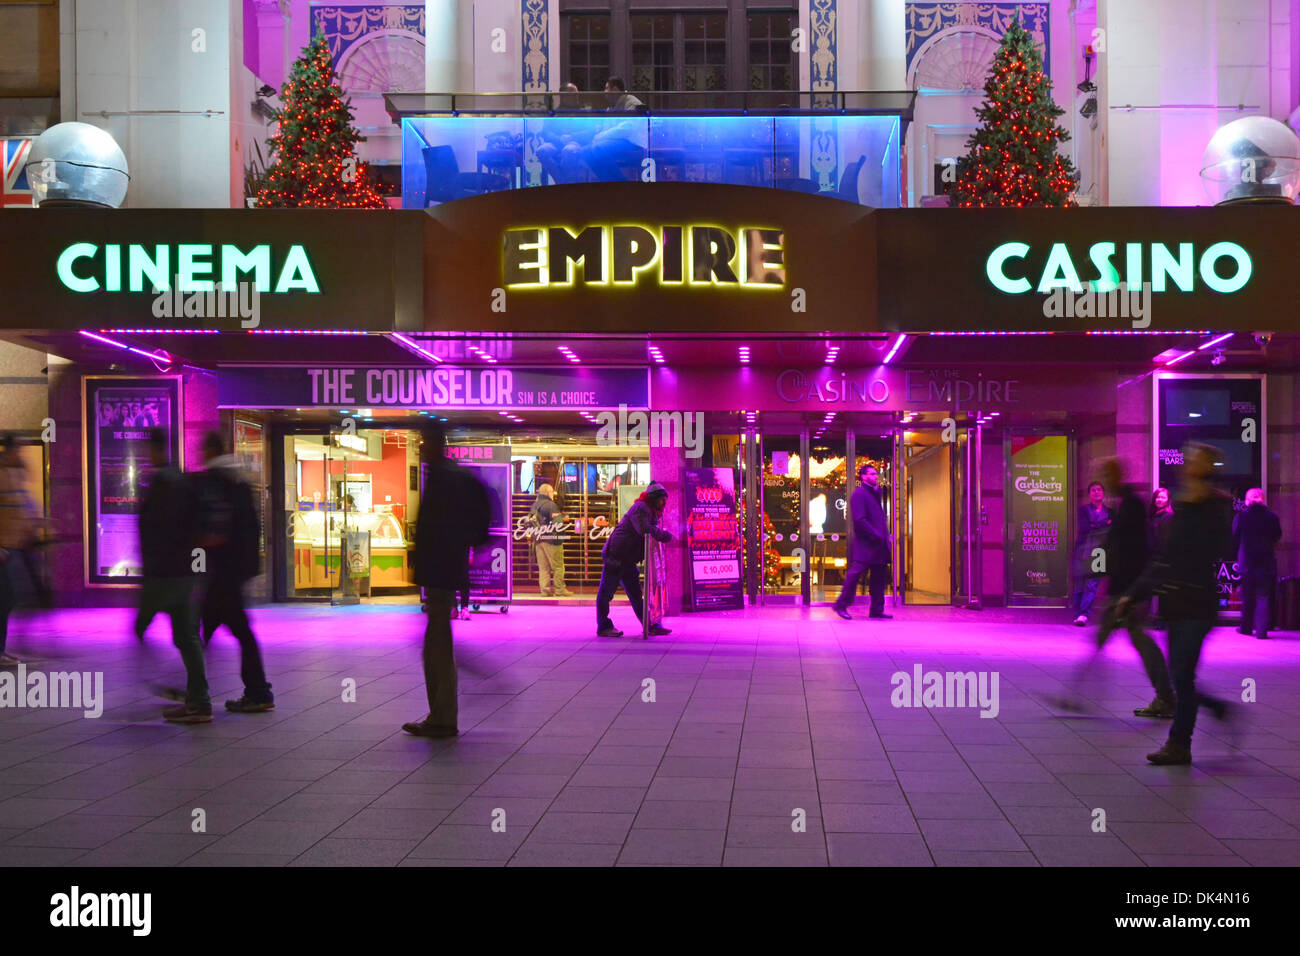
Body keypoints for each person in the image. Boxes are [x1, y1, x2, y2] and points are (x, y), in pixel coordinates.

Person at [1125, 443, 1235, 766]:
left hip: (1197, 605)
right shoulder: (1183, 507)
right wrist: (1136, 593)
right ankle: (1215, 709)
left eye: (1194, 461)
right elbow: (1164, 560)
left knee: (1182, 675)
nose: (1187, 465)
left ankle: (1179, 743)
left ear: (1206, 468)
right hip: (1176, 604)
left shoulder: (1213, 508)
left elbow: (1215, 549)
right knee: (1181, 677)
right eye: (1187, 461)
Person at [1054, 459, 1175, 718]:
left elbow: (1133, 550)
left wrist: (1130, 592)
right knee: (1114, 641)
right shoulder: (1124, 505)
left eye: (1106, 475)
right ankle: (1076, 696)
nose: (1103, 480)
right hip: (1124, 589)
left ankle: (1166, 697)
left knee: (1133, 642)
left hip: (1127, 590)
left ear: (1115, 476)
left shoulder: (1131, 506)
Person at [405, 423, 490, 738]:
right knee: (437, 643)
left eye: (422, 442)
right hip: (446, 568)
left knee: (437, 646)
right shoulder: (453, 475)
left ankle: (442, 718)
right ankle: (442, 714)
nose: (420, 448)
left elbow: (435, 528)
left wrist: (435, 558)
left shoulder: (443, 478)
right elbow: (478, 516)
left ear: (431, 443)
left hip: (440, 571)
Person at [193, 431, 273, 712]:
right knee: (214, 626)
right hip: (236, 568)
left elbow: (214, 528)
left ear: (209, 451)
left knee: (212, 628)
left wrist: (198, 554)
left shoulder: (216, 482)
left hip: (222, 570)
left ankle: (254, 691)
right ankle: (254, 690)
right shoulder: (240, 480)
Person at [136, 429, 210, 723]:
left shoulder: (161, 484)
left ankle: (169, 684)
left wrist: (149, 568)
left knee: (141, 627)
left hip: (164, 573)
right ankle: (198, 700)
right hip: (185, 572)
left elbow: (153, 530)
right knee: (186, 636)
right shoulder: (183, 481)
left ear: (154, 449)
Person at [596, 480, 672, 637]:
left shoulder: (650, 510)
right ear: (654, 498)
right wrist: (665, 536)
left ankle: (650, 625)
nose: (665, 503)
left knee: (637, 595)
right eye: (662, 499)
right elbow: (644, 530)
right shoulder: (641, 508)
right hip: (615, 557)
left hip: (627, 558)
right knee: (606, 593)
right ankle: (603, 627)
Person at [833, 463, 891, 620]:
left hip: (878, 544)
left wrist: (883, 537)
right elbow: (859, 520)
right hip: (867, 544)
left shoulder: (874, 493)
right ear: (863, 476)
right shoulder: (859, 494)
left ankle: (877, 610)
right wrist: (876, 535)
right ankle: (841, 605)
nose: (875, 476)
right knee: (854, 575)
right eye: (871, 474)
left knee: (878, 578)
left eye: (876, 474)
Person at [0, 435, 38, 667]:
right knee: (7, 598)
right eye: (20, 449)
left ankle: (1, 649)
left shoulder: (14, 474)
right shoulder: (2, 476)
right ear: (10, 450)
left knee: (9, 598)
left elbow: (22, 507)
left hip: (13, 547)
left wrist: (34, 524)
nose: (22, 454)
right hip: (4, 549)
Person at [1233, 487, 1282, 639]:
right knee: (1263, 596)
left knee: (1247, 596)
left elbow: (1235, 537)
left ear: (1247, 500)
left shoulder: (1242, 516)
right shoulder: (1272, 517)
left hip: (1247, 561)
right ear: (1263, 499)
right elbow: (1277, 536)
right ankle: (1261, 630)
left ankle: (1246, 627)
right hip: (1266, 561)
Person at [582, 77, 648, 182]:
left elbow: (627, 129)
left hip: (634, 143)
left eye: (607, 88)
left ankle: (619, 184)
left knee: (598, 148)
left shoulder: (632, 102)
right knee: (585, 151)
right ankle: (610, 183)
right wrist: (599, 136)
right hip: (619, 142)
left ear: (615, 90)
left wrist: (601, 136)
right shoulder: (614, 105)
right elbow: (608, 128)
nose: (604, 92)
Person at [1071, 479, 1113, 625]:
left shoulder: (1111, 512)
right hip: (1083, 551)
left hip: (1100, 553)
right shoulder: (1083, 511)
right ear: (1089, 494)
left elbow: (1111, 531)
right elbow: (1085, 527)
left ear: (1103, 493)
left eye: (1099, 489)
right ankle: (1078, 612)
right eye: (1093, 490)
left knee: (1092, 584)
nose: (1096, 492)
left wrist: (1096, 525)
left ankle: (1084, 614)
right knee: (1080, 584)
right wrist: (1104, 524)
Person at [537, 83, 594, 185]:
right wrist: (559, 138)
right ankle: (563, 183)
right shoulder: (555, 113)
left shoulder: (583, 112)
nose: (577, 96)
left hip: (574, 143)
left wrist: (572, 136)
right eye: (573, 94)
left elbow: (590, 131)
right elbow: (545, 132)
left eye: (577, 94)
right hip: (556, 143)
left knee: (569, 150)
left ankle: (566, 185)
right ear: (563, 96)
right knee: (542, 150)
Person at [530, 483, 572, 597]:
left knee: (543, 567)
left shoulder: (535, 505)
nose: (553, 494)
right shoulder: (550, 505)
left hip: (538, 540)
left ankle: (545, 590)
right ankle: (559, 589)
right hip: (551, 540)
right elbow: (557, 523)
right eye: (552, 492)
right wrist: (564, 518)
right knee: (558, 565)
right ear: (548, 492)